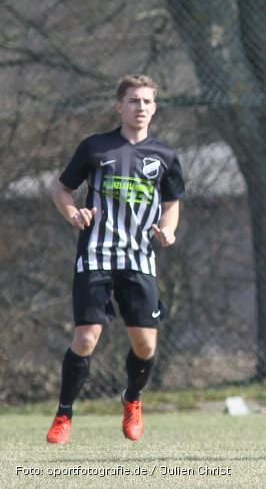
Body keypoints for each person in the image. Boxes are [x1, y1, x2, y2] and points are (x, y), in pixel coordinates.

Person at [45, 75, 185, 445]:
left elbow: (171, 203)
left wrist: (168, 230)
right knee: (87, 337)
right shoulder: (95, 147)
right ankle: (64, 414)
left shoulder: (166, 157)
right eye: (134, 101)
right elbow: (62, 189)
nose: (141, 108)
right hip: (95, 256)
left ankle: (132, 400)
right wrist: (72, 213)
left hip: (139, 260)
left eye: (147, 102)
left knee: (146, 347)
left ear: (155, 108)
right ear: (119, 106)